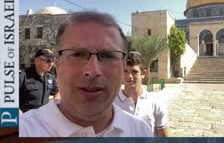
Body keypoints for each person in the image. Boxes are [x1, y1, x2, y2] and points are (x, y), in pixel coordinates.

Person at [19, 11, 153, 137]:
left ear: (123, 65)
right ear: (58, 64)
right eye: (77, 54)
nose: (93, 71)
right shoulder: (22, 131)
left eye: (107, 56)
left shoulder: (141, 131)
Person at [114, 51, 169, 137]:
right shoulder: (111, 104)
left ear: (143, 73)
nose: (129, 76)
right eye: (125, 71)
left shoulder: (156, 103)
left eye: (134, 72)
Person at [19, 48, 59, 113]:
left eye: (52, 61)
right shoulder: (23, 76)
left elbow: (57, 91)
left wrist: (55, 104)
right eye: (48, 61)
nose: (51, 64)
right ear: (37, 61)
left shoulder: (50, 77)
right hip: (26, 119)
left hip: (44, 117)